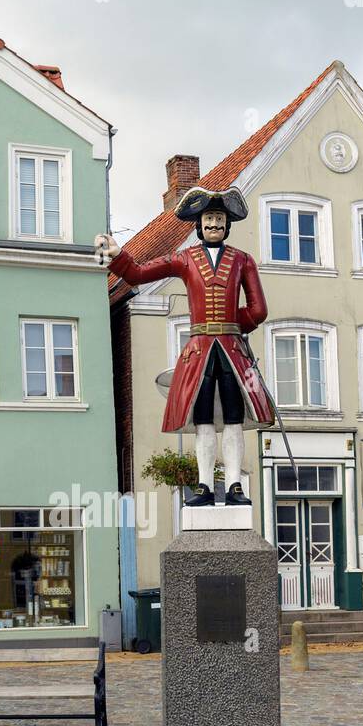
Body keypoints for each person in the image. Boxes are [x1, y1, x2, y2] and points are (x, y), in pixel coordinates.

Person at [99, 185, 274, 506]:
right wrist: (118, 256)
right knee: (205, 417)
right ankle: (214, 485)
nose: (214, 224)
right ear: (200, 224)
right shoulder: (189, 258)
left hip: (217, 348)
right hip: (215, 350)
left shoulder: (238, 260)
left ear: (226, 224)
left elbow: (260, 310)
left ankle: (226, 485)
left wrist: (230, 325)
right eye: (209, 218)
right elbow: (137, 273)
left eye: (219, 218)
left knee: (229, 417)